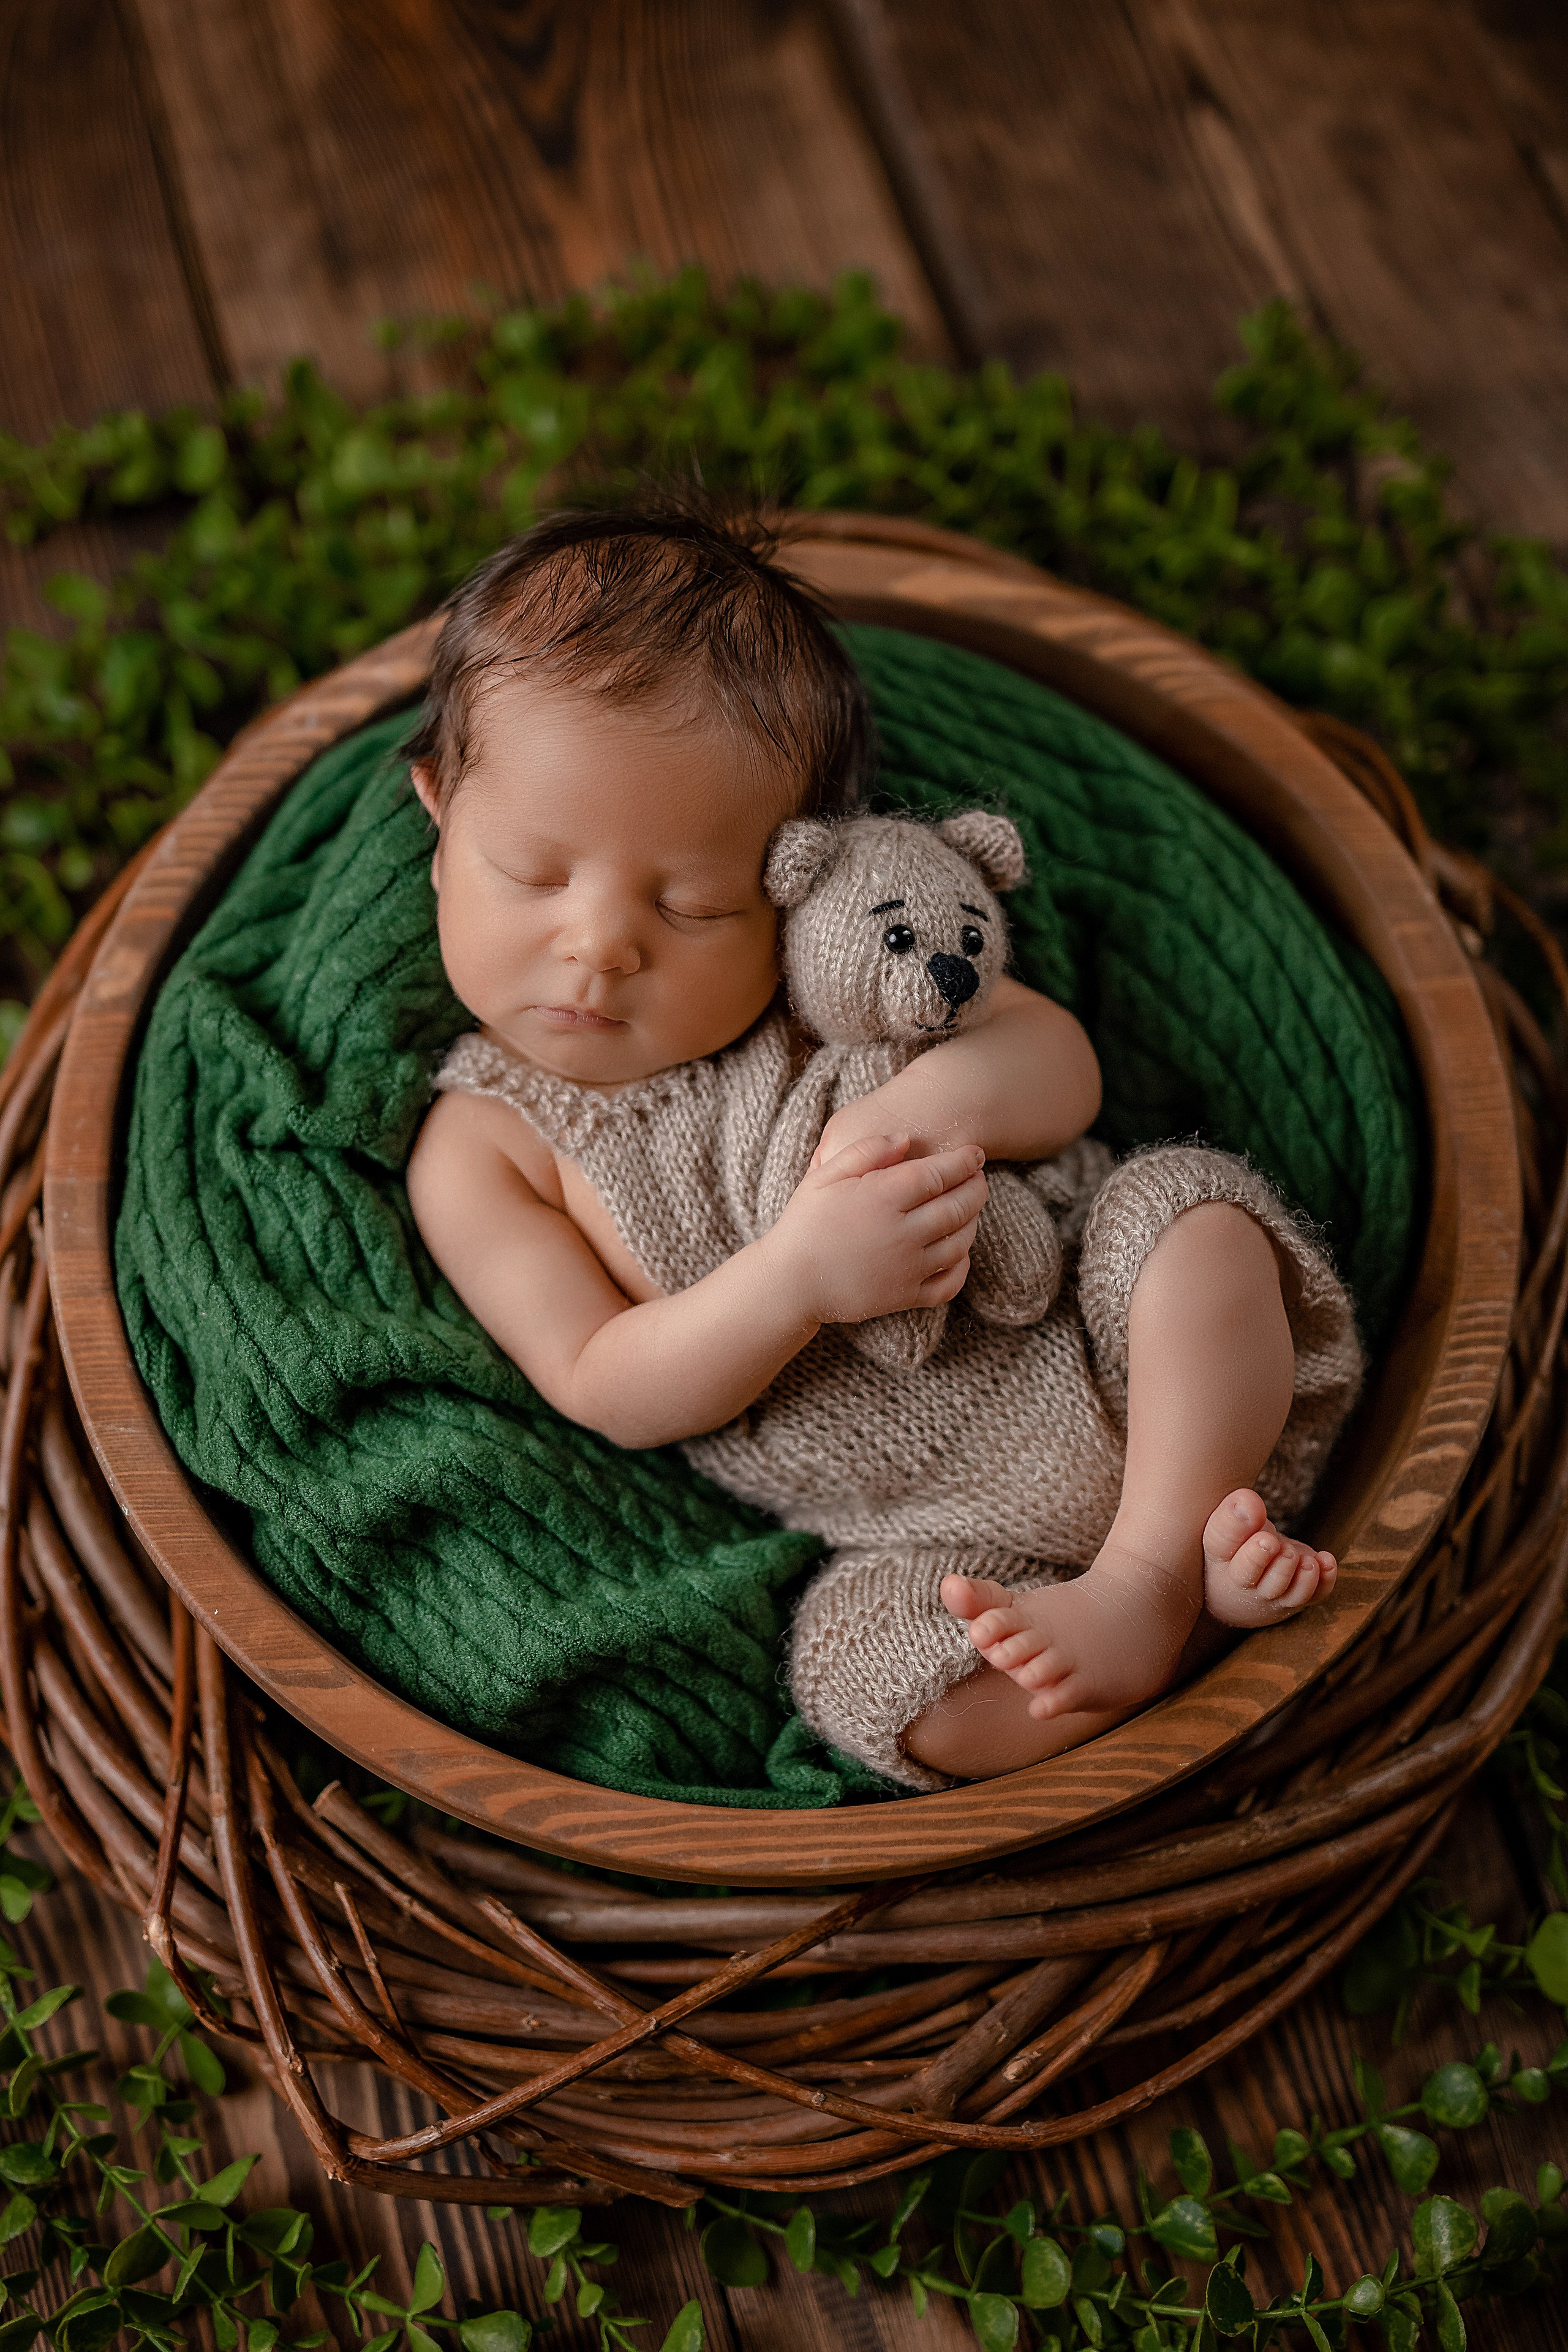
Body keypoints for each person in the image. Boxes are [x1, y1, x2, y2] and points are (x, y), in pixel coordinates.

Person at [405, 502, 1360, 1789]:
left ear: (792, 874)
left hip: (1115, 1350)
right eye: (529, 871)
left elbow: (1057, 1068)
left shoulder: (836, 961)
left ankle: (1148, 1573)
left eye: (691, 903)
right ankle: (1187, 1622)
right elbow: (601, 1378)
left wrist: (915, 1115)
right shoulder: (482, 1147)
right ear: (437, 818)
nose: (602, 943)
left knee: (1191, 1218)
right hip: (938, 1539)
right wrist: (797, 1273)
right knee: (858, 1674)